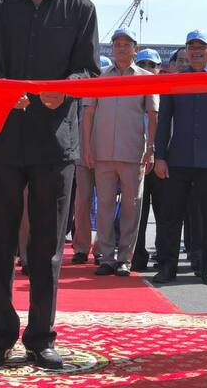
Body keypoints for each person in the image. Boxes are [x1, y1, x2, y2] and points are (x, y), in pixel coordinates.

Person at [0, 0, 99, 370]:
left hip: (54, 143)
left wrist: (66, 87)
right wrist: (6, 90)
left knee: (47, 248)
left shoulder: (81, 8)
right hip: (1, 138)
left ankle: (41, 337)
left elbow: (89, 70)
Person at [153, 30, 207, 286]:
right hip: (177, 160)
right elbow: (163, 122)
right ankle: (167, 267)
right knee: (170, 217)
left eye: (202, 47)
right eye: (192, 47)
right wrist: (160, 157)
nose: (197, 51)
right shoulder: (175, 81)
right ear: (186, 51)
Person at [82, 28, 158, 277]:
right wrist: (86, 148)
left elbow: (153, 115)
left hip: (133, 152)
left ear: (136, 49)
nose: (121, 48)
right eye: (117, 44)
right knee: (103, 207)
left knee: (131, 208)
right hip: (103, 152)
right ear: (112, 48)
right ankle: (106, 257)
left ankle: (125, 258)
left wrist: (151, 148)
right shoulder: (99, 77)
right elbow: (88, 114)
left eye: (127, 44)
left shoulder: (147, 78)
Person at [71, 53, 116, 267]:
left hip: (106, 154)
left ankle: (101, 249)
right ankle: (81, 247)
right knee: (82, 202)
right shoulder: (79, 93)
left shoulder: (111, 93)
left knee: (106, 203)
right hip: (82, 154)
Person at [132, 48, 162, 271]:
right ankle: (137, 256)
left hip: (160, 162)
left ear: (159, 69)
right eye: (143, 64)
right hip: (136, 161)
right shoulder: (128, 93)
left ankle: (163, 254)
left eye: (152, 65)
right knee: (137, 214)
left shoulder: (166, 94)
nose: (148, 69)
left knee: (163, 213)